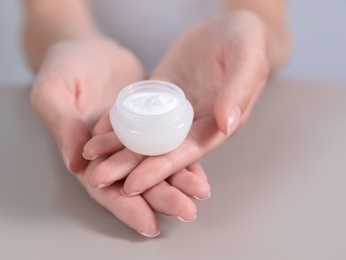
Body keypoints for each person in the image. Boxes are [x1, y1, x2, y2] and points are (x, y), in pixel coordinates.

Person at [23, 0, 291, 237]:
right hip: (104, 73)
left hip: (212, 74)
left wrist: (255, 31)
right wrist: (70, 40)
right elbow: (48, 11)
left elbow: (267, 14)